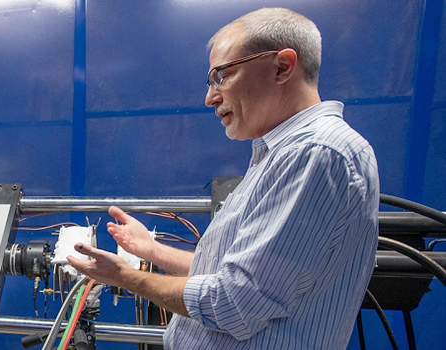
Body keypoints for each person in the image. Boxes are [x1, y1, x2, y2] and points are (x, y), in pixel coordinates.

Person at [68, 8, 379, 349]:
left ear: (282, 67)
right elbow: (234, 273)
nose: (210, 97)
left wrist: (126, 277)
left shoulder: (315, 154)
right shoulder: (280, 154)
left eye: (222, 76)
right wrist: (151, 251)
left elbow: (235, 302)